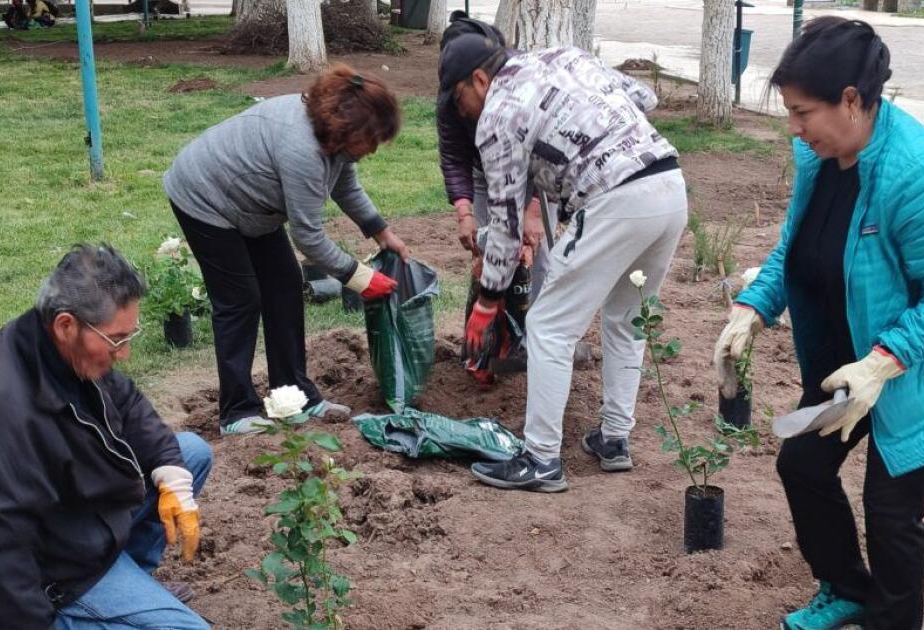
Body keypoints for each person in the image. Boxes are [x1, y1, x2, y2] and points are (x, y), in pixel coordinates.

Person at [712, 17, 924, 630]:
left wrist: (881, 363)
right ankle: (846, 588)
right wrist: (753, 306)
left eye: (801, 111)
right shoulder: (820, 156)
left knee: (891, 512)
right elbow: (796, 247)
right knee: (802, 468)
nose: (792, 127)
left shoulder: (917, 175)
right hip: (846, 361)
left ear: (850, 100)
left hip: (913, 370)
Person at [439, 37, 686, 492]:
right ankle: (614, 439)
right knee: (628, 319)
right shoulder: (564, 57)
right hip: (669, 184)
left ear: (479, 78)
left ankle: (540, 459)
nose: (463, 112)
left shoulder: (497, 115)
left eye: (460, 99)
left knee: (549, 327)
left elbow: (507, 224)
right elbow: (643, 96)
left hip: (614, 197)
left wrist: (488, 302)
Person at [0, 244, 212, 630]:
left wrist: (173, 479)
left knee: (189, 454)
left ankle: (132, 575)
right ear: (66, 325)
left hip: (84, 520)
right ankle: (50, 612)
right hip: (60, 568)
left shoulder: (64, 348)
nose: (125, 354)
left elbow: (130, 405)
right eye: (117, 340)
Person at [164, 64, 410, 435]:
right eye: (372, 139)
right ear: (347, 129)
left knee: (284, 285)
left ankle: (294, 396)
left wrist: (381, 231)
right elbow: (308, 236)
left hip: (249, 204)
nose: (374, 149)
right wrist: (360, 278)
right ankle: (237, 411)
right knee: (240, 300)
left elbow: (346, 186)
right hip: (204, 196)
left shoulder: (336, 142)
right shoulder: (303, 149)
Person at [437, 12, 549, 299]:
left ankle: (535, 327)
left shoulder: (523, 79)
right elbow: (453, 155)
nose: (461, 108)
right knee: (490, 246)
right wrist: (464, 212)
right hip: (482, 171)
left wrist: (534, 210)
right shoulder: (452, 93)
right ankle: (496, 331)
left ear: (480, 75)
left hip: (532, 171)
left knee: (535, 249)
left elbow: (548, 152)